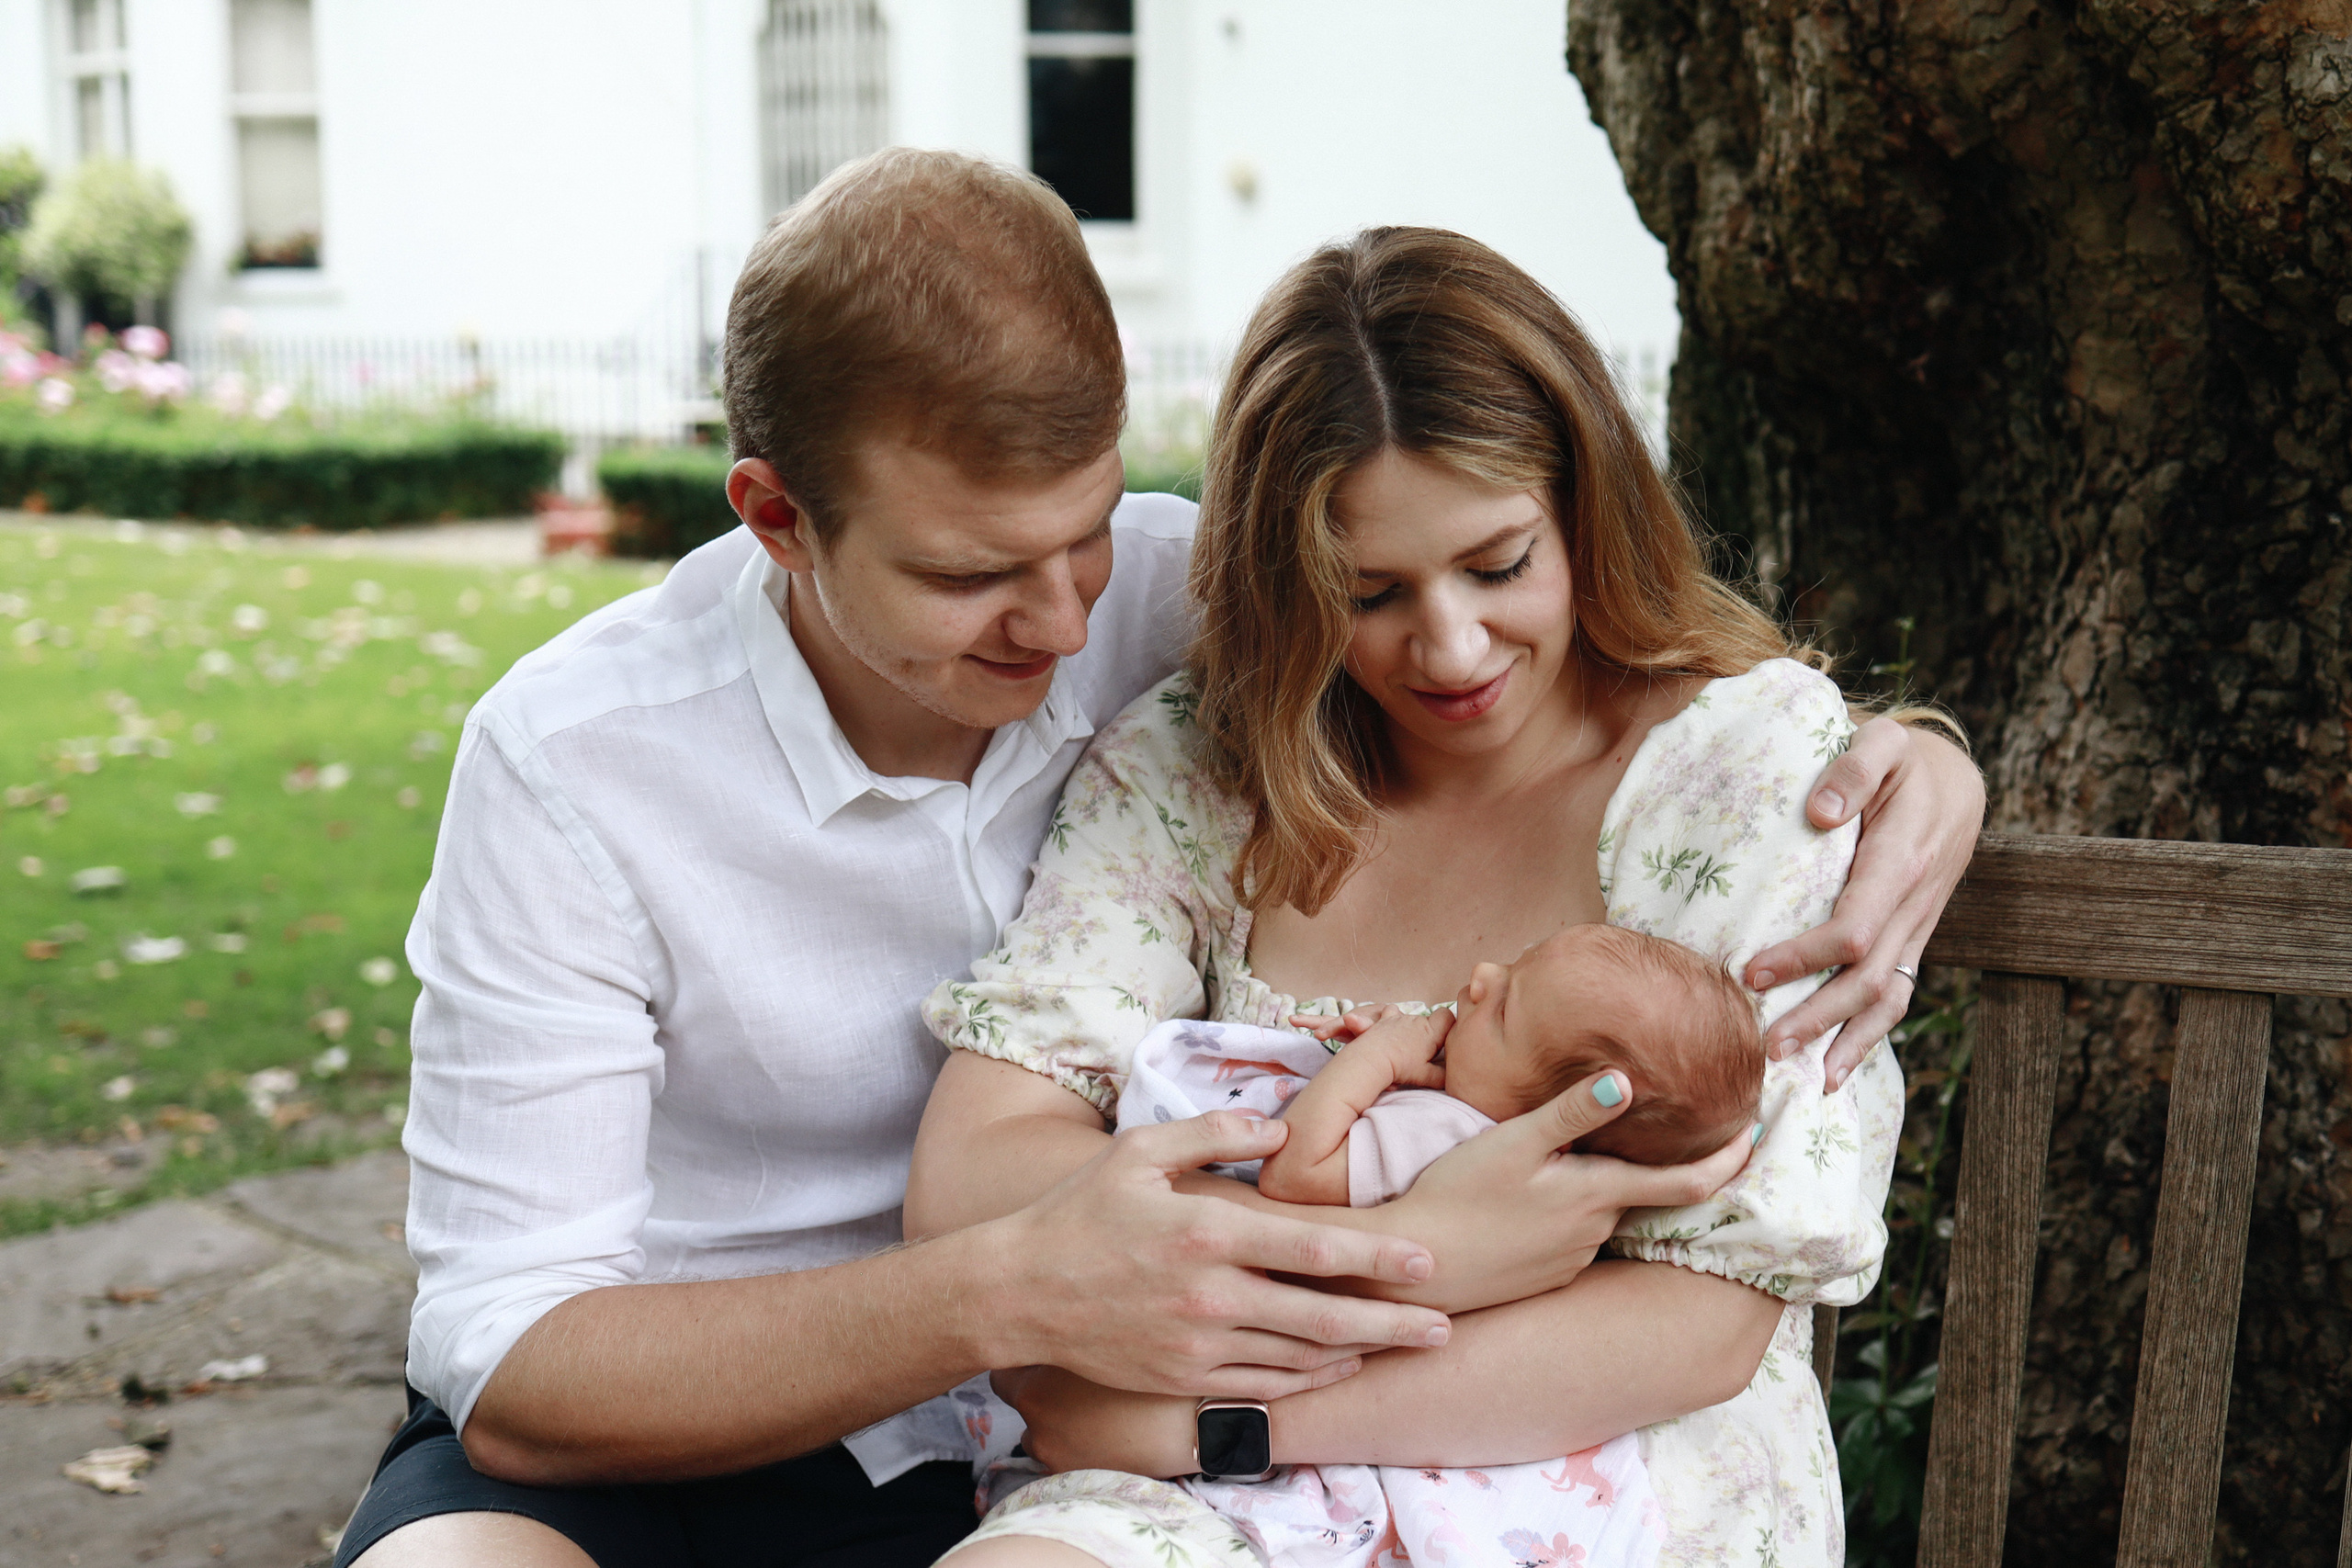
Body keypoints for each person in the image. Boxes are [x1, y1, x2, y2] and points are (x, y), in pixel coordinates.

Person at [341, 149, 1982, 1567]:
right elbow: (519, 1348)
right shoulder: (577, 762)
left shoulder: (1218, 612)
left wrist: (1923, 760)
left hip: (1132, 1420)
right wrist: (1331, 1281)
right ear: (775, 518)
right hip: (760, 1399)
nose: (1065, 622)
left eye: (1090, 529)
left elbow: (1645, 691)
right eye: (980, 572)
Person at [910, 227, 1965, 1568]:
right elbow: (973, 1180)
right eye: (1370, 591)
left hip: (1595, 1458)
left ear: (1585, 506)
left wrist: (1220, 1415)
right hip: (1204, 1501)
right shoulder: (1202, 763)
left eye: (1500, 562)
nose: (1452, 646)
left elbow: (1702, 1316)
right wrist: (1424, 1246)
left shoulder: (1742, 777)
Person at [1115, 921, 1769, 1212]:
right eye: (1515, 964)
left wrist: (1375, 1058)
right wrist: (1373, 1051)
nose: (1483, 977)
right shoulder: (1466, 1099)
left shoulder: (1452, 1139)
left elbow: (1296, 1173)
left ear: (1551, 1118)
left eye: (1506, 1008)